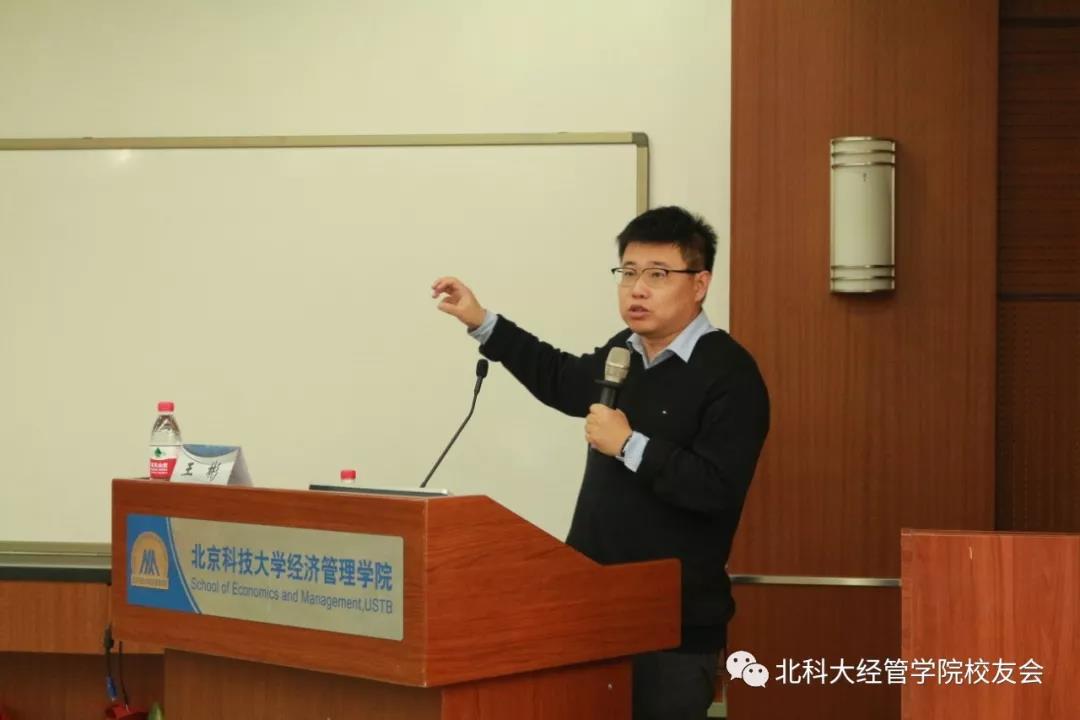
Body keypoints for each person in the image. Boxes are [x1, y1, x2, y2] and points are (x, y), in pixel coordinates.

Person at [431, 206, 770, 720]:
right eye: (628, 273)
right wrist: (483, 322)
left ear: (699, 284)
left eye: (658, 275)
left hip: (671, 626)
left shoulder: (731, 373)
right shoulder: (622, 353)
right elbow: (560, 377)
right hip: (590, 607)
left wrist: (630, 445)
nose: (638, 289)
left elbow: (715, 488)